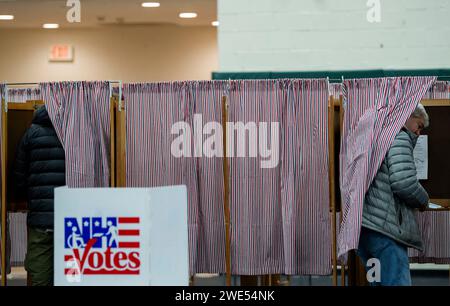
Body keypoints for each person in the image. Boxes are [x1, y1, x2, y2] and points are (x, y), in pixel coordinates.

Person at [357, 103, 429, 286]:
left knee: (378, 283)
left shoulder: (376, 134)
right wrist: (423, 199)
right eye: (419, 126)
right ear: (407, 116)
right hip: (385, 230)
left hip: (364, 228)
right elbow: (403, 182)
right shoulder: (400, 136)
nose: (418, 133)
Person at [14, 106, 65, 286]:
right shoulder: (73, 134)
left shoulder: (30, 134)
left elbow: (19, 177)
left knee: (40, 276)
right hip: (71, 218)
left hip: (40, 220)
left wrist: (27, 199)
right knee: (72, 273)